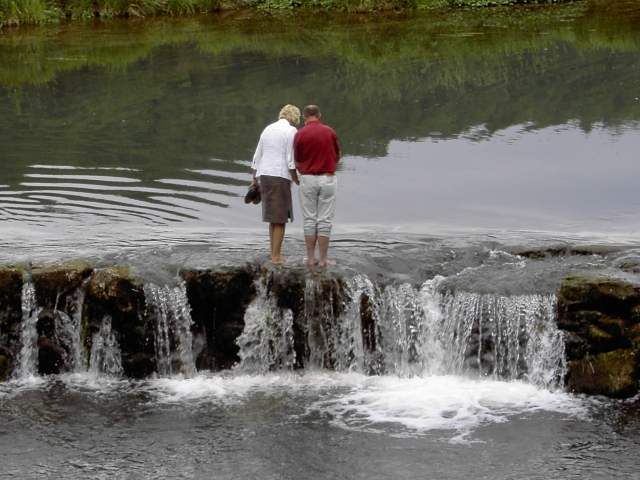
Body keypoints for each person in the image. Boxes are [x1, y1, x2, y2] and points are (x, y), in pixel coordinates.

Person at [251, 104, 301, 264]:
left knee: (273, 217)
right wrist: (296, 179)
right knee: (280, 218)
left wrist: (254, 178)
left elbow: (257, 155)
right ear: (294, 118)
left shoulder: (267, 128)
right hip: (279, 176)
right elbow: (290, 159)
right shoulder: (291, 131)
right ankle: (276, 257)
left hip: (264, 175)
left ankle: (273, 252)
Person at [294, 105, 340, 268]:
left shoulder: (300, 134)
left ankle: (310, 258)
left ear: (304, 117)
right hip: (327, 178)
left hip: (307, 179)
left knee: (309, 219)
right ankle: (323, 259)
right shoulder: (330, 131)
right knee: (325, 219)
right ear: (319, 115)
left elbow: (297, 159)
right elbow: (337, 155)